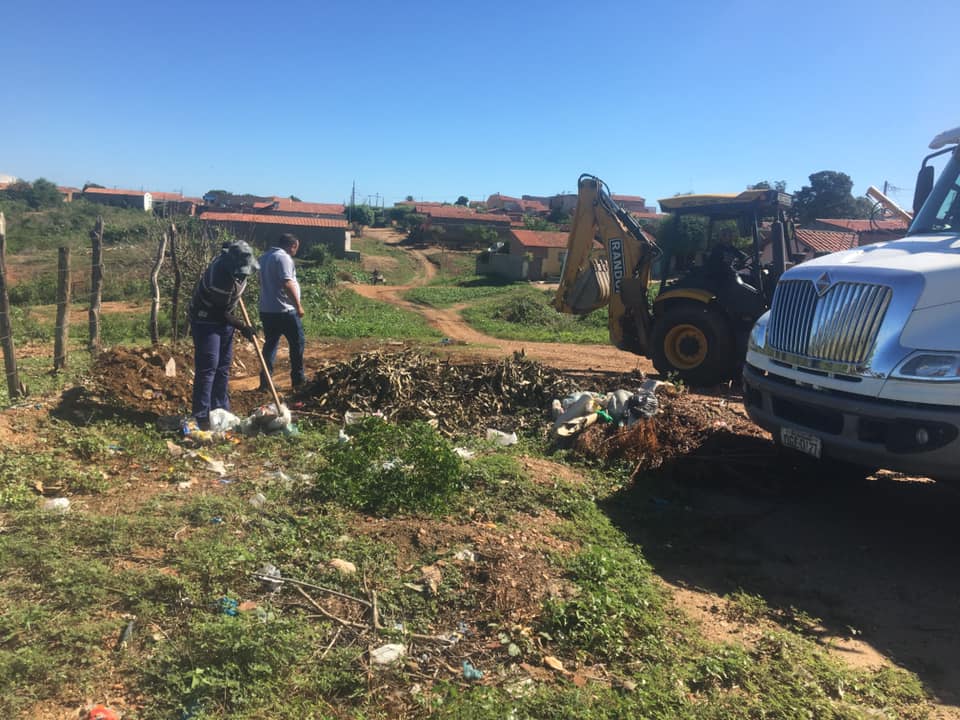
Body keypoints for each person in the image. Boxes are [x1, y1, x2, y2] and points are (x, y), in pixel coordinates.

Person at [188, 240, 258, 430]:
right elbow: (220, 313)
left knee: (223, 366)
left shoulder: (232, 262)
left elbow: (227, 247)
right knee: (209, 365)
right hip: (206, 319)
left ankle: (220, 410)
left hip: (225, 317)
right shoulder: (219, 278)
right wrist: (243, 327)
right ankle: (201, 415)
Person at [258, 232, 306, 391]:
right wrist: (298, 306)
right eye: (295, 248)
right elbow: (287, 283)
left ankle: (265, 382)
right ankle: (298, 380)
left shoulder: (264, 257)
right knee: (297, 343)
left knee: (270, 344)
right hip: (284, 310)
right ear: (292, 245)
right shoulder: (283, 257)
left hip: (267, 309)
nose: (295, 252)